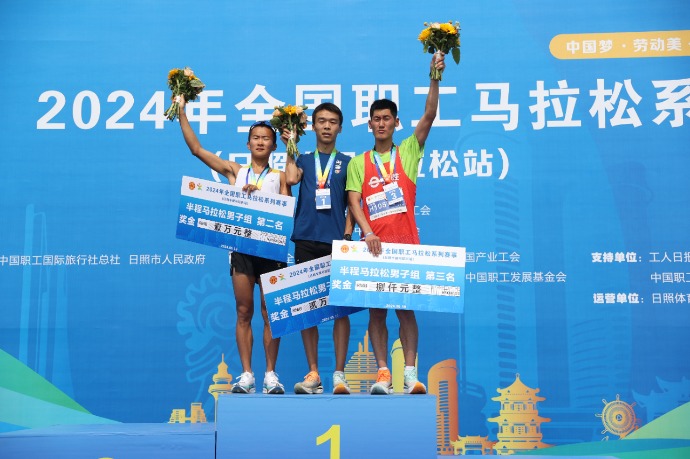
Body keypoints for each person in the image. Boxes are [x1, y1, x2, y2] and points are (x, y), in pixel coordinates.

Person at [345, 53, 446, 395]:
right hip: (373, 248)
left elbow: (429, 114)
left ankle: (410, 373)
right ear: (369, 124)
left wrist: (434, 76)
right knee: (376, 314)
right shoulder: (359, 163)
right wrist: (368, 232)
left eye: (386, 118)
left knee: (406, 312)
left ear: (396, 123)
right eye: (376, 119)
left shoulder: (409, 152)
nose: (381, 124)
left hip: (406, 246)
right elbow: (354, 202)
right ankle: (383, 372)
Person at [177, 95, 290, 394]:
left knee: (271, 313)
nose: (261, 142)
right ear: (248, 143)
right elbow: (196, 149)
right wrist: (182, 112)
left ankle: (270, 374)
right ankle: (247, 374)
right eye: (256, 138)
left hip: (271, 250)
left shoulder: (280, 177)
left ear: (274, 146)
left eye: (266, 138)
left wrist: (263, 198)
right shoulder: (235, 172)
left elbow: (287, 209)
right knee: (243, 311)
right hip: (242, 250)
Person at [281, 103, 355, 395]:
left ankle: (339, 374)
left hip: (337, 242)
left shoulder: (349, 163)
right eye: (321, 121)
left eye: (332, 122)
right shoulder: (303, 159)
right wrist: (290, 146)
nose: (326, 126)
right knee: (306, 308)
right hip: (305, 239)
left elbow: (354, 203)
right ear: (312, 126)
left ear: (340, 128)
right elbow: (290, 179)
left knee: (340, 310)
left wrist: (347, 234)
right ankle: (313, 373)